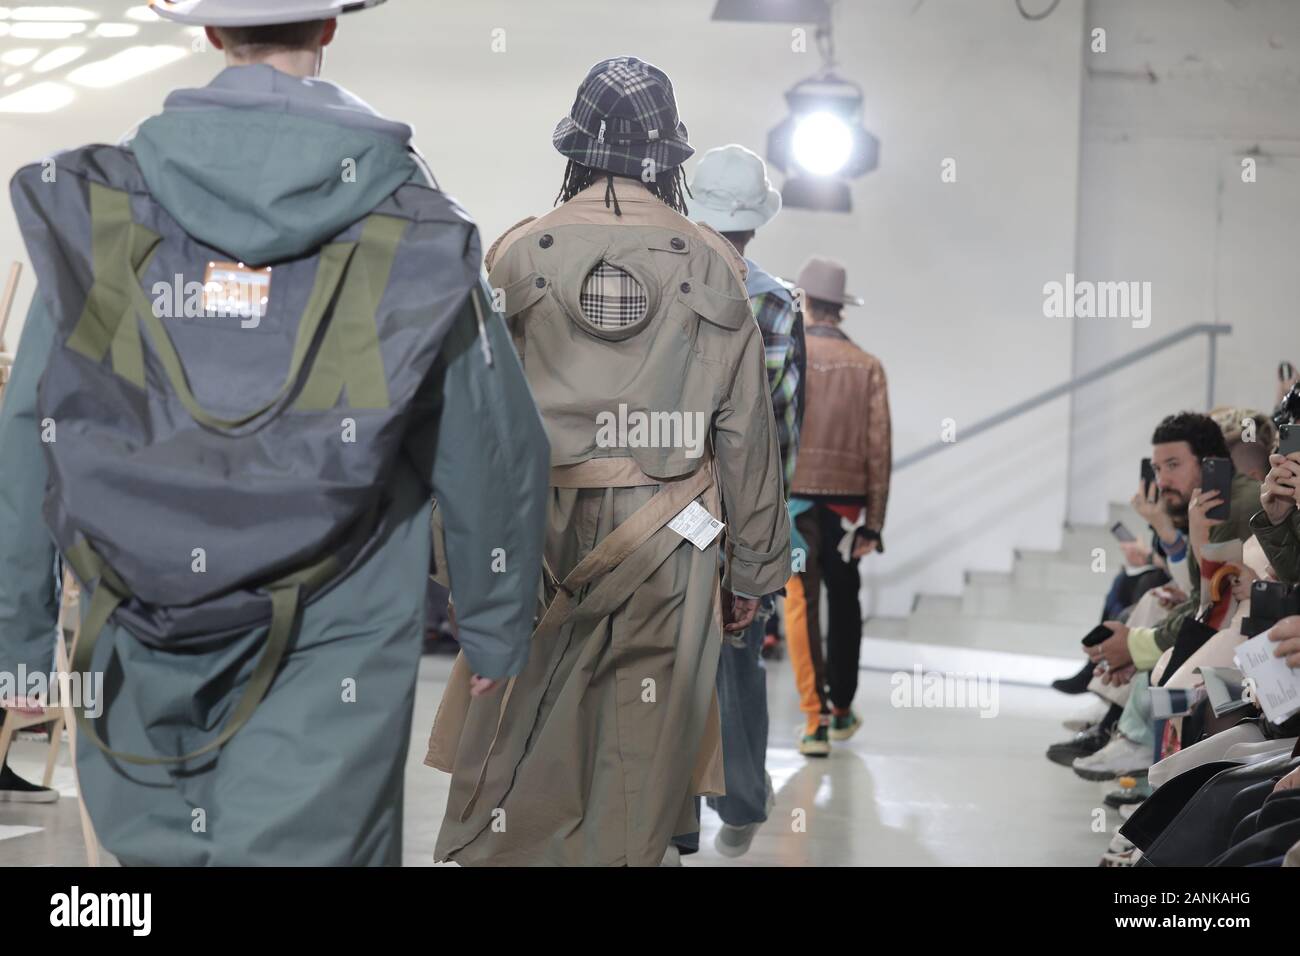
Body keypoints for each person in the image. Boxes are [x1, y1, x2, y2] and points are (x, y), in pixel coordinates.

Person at [0, 0, 549, 864]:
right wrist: (495, 623)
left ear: (210, 34)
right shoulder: (410, 220)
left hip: (131, 629)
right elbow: (489, 442)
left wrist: (19, 641)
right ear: (329, 28)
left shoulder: (103, 208)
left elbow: (32, 425)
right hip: (336, 625)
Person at [424, 56, 791, 867]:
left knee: (524, 723)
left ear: (577, 150)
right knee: (644, 738)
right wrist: (753, 574)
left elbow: (472, 422)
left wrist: (457, 559)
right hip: (676, 536)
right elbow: (745, 437)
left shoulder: (517, 254)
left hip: (534, 530)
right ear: (669, 157)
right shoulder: (712, 263)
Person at [681, 143, 805, 858]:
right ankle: (742, 802)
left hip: (657, 512)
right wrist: (757, 555)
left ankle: (671, 820)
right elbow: (779, 442)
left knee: (661, 663)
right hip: (732, 514)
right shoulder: (777, 302)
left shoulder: (658, 282)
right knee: (735, 658)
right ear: (756, 224)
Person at [783, 257, 891, 756]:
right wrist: (875, 522)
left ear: (804, 301)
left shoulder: (788, 356)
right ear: (840, 310)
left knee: (800, 603)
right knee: (845, 604)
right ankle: (844, 708)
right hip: (848, 510)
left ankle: (814, 721)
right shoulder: (868, 367)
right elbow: (879, 451)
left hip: (795, 505)